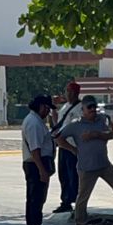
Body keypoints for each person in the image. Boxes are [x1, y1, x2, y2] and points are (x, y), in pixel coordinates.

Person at [54, 96, 113, 225]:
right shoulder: (75, 125)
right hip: (86, 168)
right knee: (83, 196)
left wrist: (97, 134)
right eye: (89, 108)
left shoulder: (101, 120)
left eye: (94, 107)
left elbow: (111, 134)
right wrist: (72, 149)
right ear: (82, 110)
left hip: (104, 164)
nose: (92, 110)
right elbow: (58, 137)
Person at [22, 93, 57, 225]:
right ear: (41, 107)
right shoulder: (34, 123)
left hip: (36, 164)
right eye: (47, 108)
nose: (48, 112)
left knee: (33, 199)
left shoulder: (34, 120)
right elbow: (35, 150)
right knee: (37, 200)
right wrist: (42, 170)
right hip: (37, 165)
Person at [49, 81, 85, 215]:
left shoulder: (80, 108)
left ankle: (77, 202)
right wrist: (53, 109)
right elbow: (58, 122)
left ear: (76, 93)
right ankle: (65, 201)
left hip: (73, 145)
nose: (67, 94)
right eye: (67, 91)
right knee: (63, 174)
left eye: (70, 92)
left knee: (73, 175)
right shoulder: (65, 106)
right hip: (63, 145)